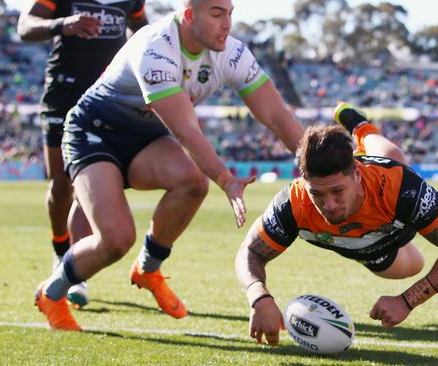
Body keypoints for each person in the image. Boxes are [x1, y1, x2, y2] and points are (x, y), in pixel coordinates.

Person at [33, 0, 304, 331]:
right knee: (116, 240)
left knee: (192, 183)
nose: (227, 24)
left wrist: (314, 165)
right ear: (189, 15)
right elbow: (185, 131)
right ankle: (52, 292)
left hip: (145, 138)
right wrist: (225, 178)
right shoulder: (156, 46)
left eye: (230, 13)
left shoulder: (232, 53)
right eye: (217, 13)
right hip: (94, 133)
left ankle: (147, 270)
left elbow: (276, 114)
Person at [235, 103, 438, 345]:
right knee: (412, 266)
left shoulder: (401, 188)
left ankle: (358, 125)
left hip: (394, 224)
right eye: (317, 194)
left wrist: (407, 300)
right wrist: (259, 298)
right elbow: (250, 251)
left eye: (337, 191)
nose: (329, 205)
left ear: (356, 172)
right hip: (371, 251)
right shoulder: (293, 203)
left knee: (393, 158)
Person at [18, 0, 149, 307]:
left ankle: (75, 269)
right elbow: (25, 27)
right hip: (63, 93)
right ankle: (60, 250)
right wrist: (62, 24)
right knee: (61, 186)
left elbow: (143, 32)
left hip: (106, 98)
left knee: (86, 187)